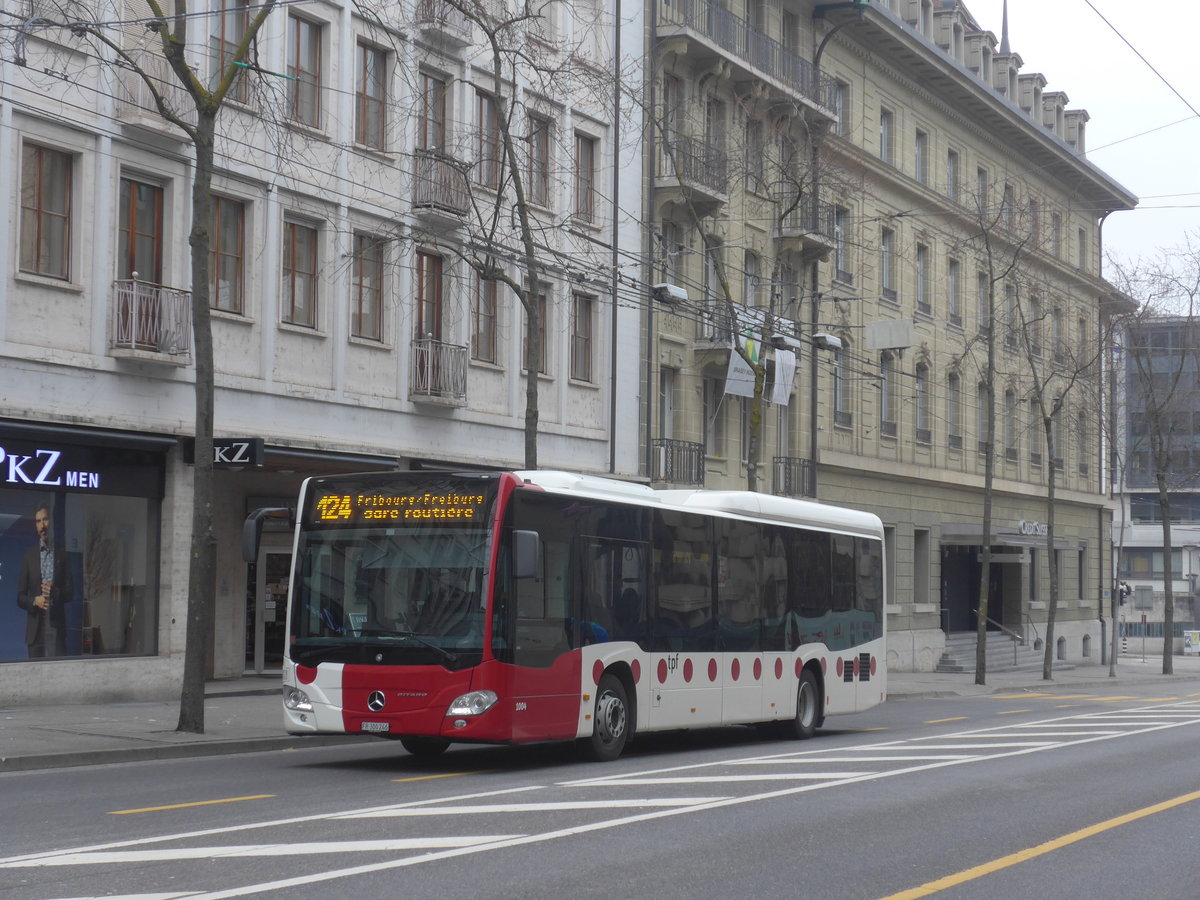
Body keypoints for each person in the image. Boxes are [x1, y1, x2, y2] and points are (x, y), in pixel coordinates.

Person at [16, 503, 72, 657]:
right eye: (38, 521)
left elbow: (71, 593)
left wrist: (55, 592)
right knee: (34, 671)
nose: (42, 525)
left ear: (51, 522)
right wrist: (35, 601)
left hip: (56, 626)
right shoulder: (29, 556)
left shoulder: (62, 553)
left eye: (45, 519)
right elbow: (20, 597)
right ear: (35, 525)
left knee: (59, 670)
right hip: (35, 629)